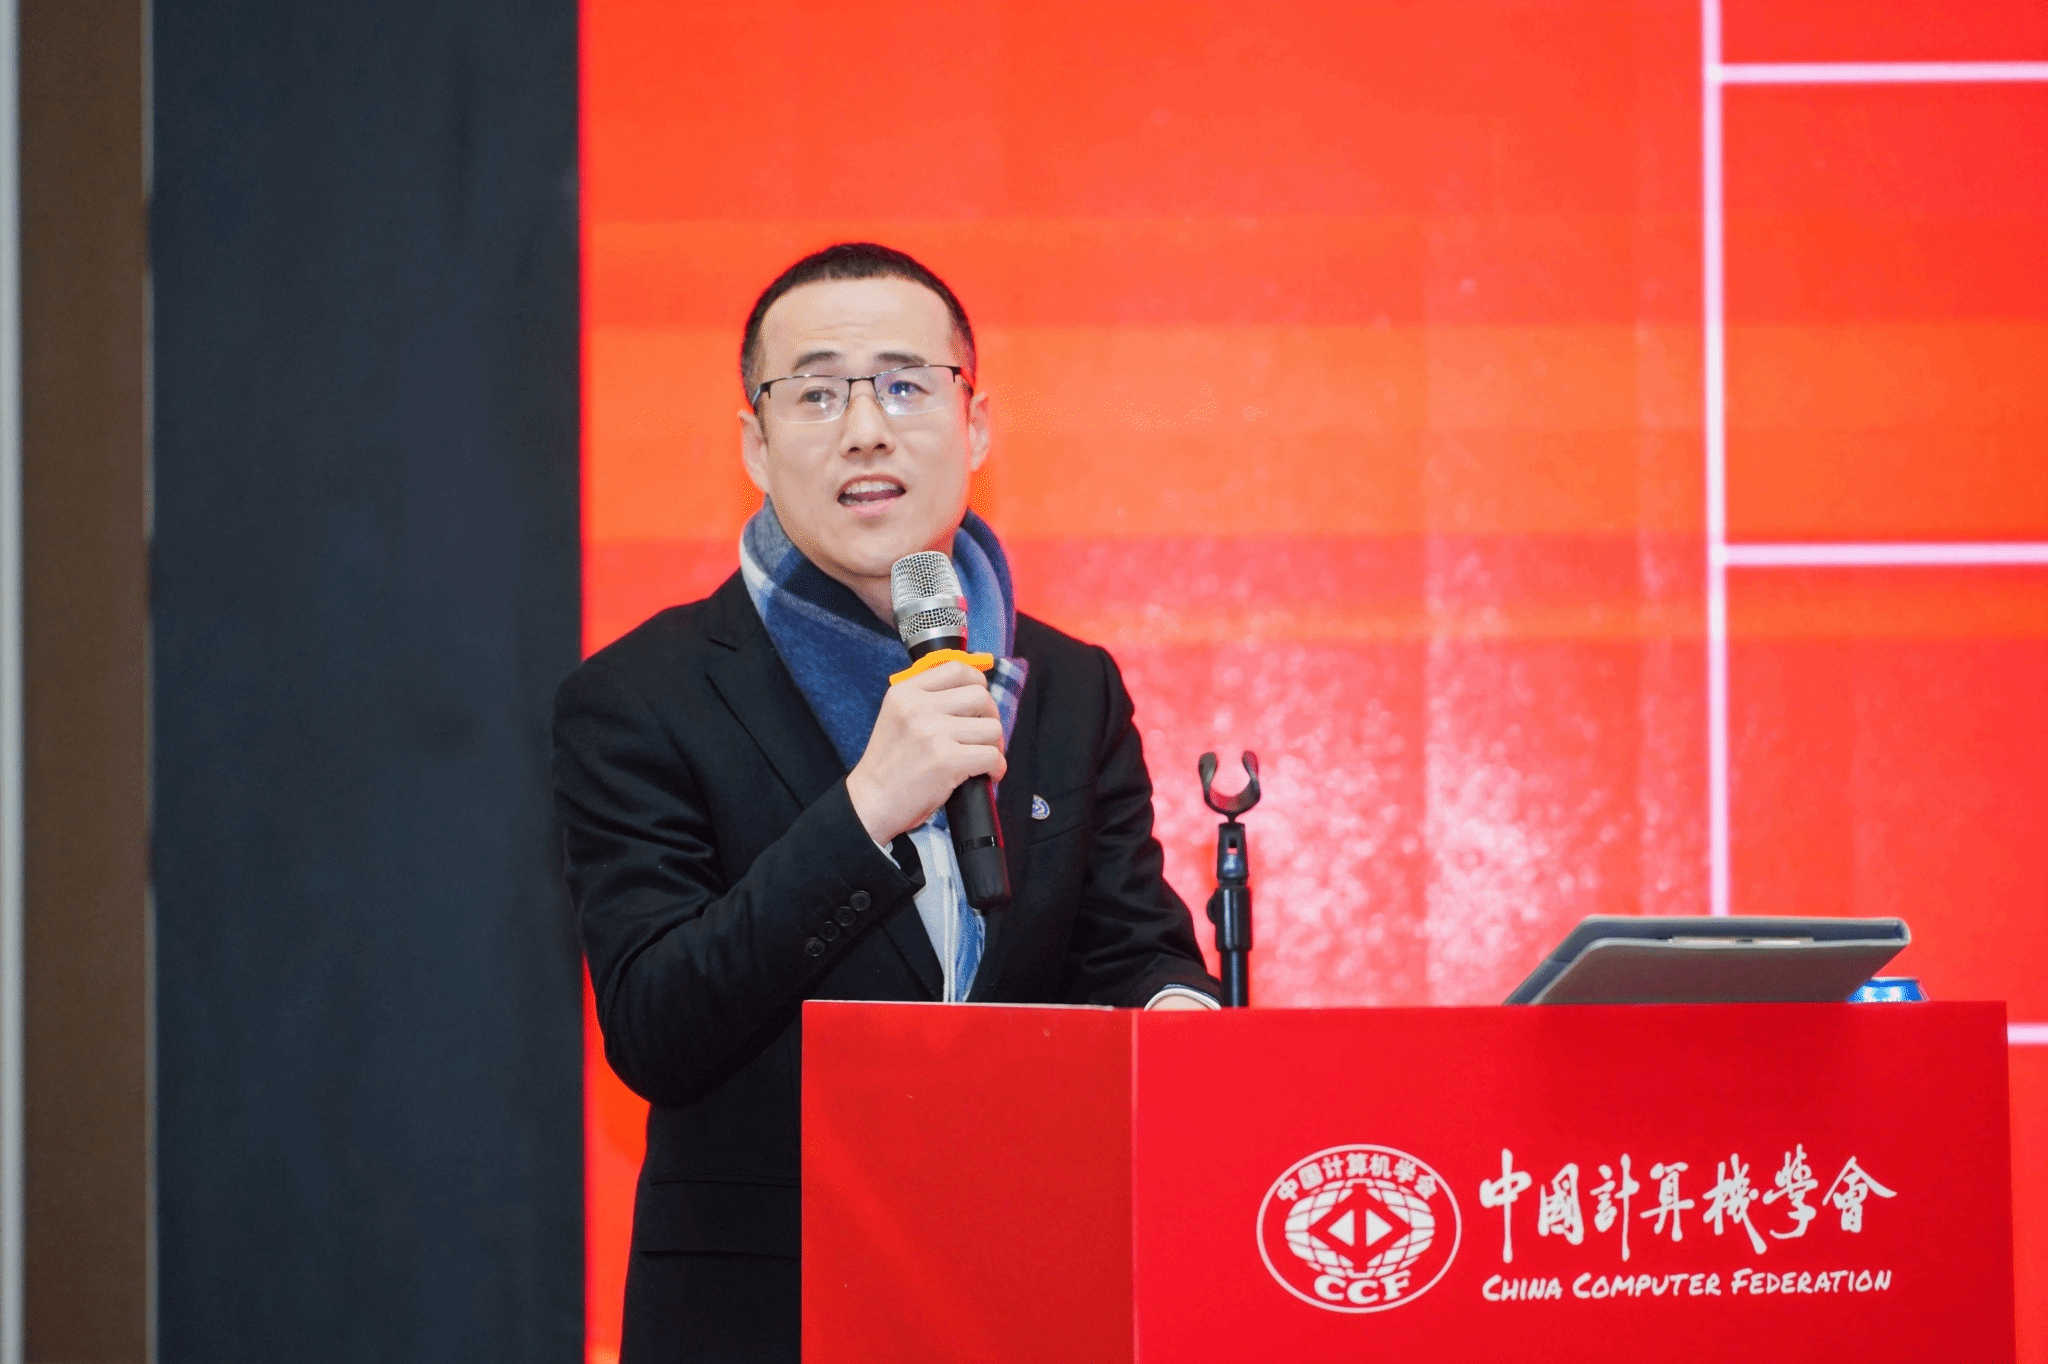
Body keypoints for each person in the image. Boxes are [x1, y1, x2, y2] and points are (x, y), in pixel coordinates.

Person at [553, 242, 1220, 1363]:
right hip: (769, 1311)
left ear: (975, 425)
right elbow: (657, 1024)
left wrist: (1179, 1015)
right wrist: (866, 810)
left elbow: (1128, 953)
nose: (865, 429)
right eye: (816, 394)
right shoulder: (636, 697)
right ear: (756, 444)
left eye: (906, 385)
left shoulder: (1066, 684)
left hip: (1030, 1292)